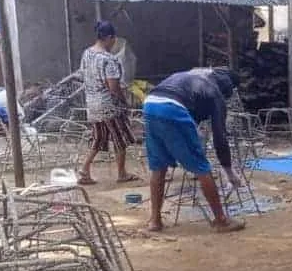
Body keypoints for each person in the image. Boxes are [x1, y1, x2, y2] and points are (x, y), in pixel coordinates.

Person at [142, 68, 246, 233]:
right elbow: (220, 137)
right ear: (228, 87)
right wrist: (229, 172)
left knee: (158, 166)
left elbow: (193, 116)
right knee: (201, 167)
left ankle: (155, 221)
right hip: (172, 107)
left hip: (150, 105)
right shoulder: (214, 92)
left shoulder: (194, 76)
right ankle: (221, 220)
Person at [77, 20, 137, 185]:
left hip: (92, 104)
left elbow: (84, 76)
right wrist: (124, 101)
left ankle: (84, 170)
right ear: (109, 37)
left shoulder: (87, 53)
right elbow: (113, 87)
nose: (114, 43)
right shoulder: (108, 59)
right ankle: (122, 173)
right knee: (120, 137)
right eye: (113, 40)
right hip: (109, 106)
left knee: (99, 137)